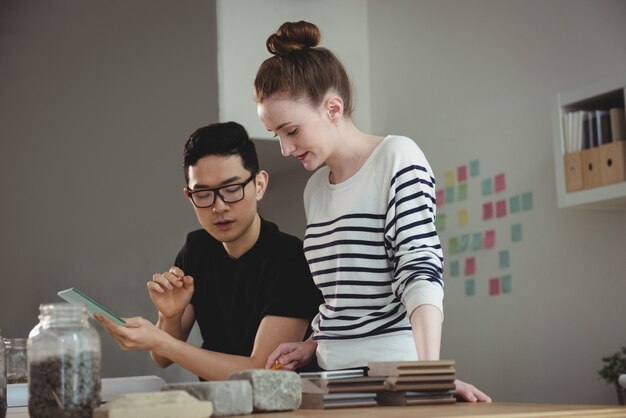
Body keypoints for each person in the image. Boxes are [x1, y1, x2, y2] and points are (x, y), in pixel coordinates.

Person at [254, 21, 491, 402]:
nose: (284, 148)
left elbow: (419, 268)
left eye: (291, 130)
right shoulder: (315, 189)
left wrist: (428, 373)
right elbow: (344, 293)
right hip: (333, 380)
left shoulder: (397, 158)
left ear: (333, 108)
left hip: (394, 379)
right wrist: (313, 343)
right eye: (276, 134)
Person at [95, 121, 323, 380]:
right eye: (203, 194)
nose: (219, 206)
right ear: (188, 196)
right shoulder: (196, 249)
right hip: (217, 404)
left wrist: (162, 341)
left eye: (232, 189)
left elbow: (263, 373)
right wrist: (169, 316)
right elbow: (161, 359)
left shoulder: (291, 258)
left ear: (259, 185)